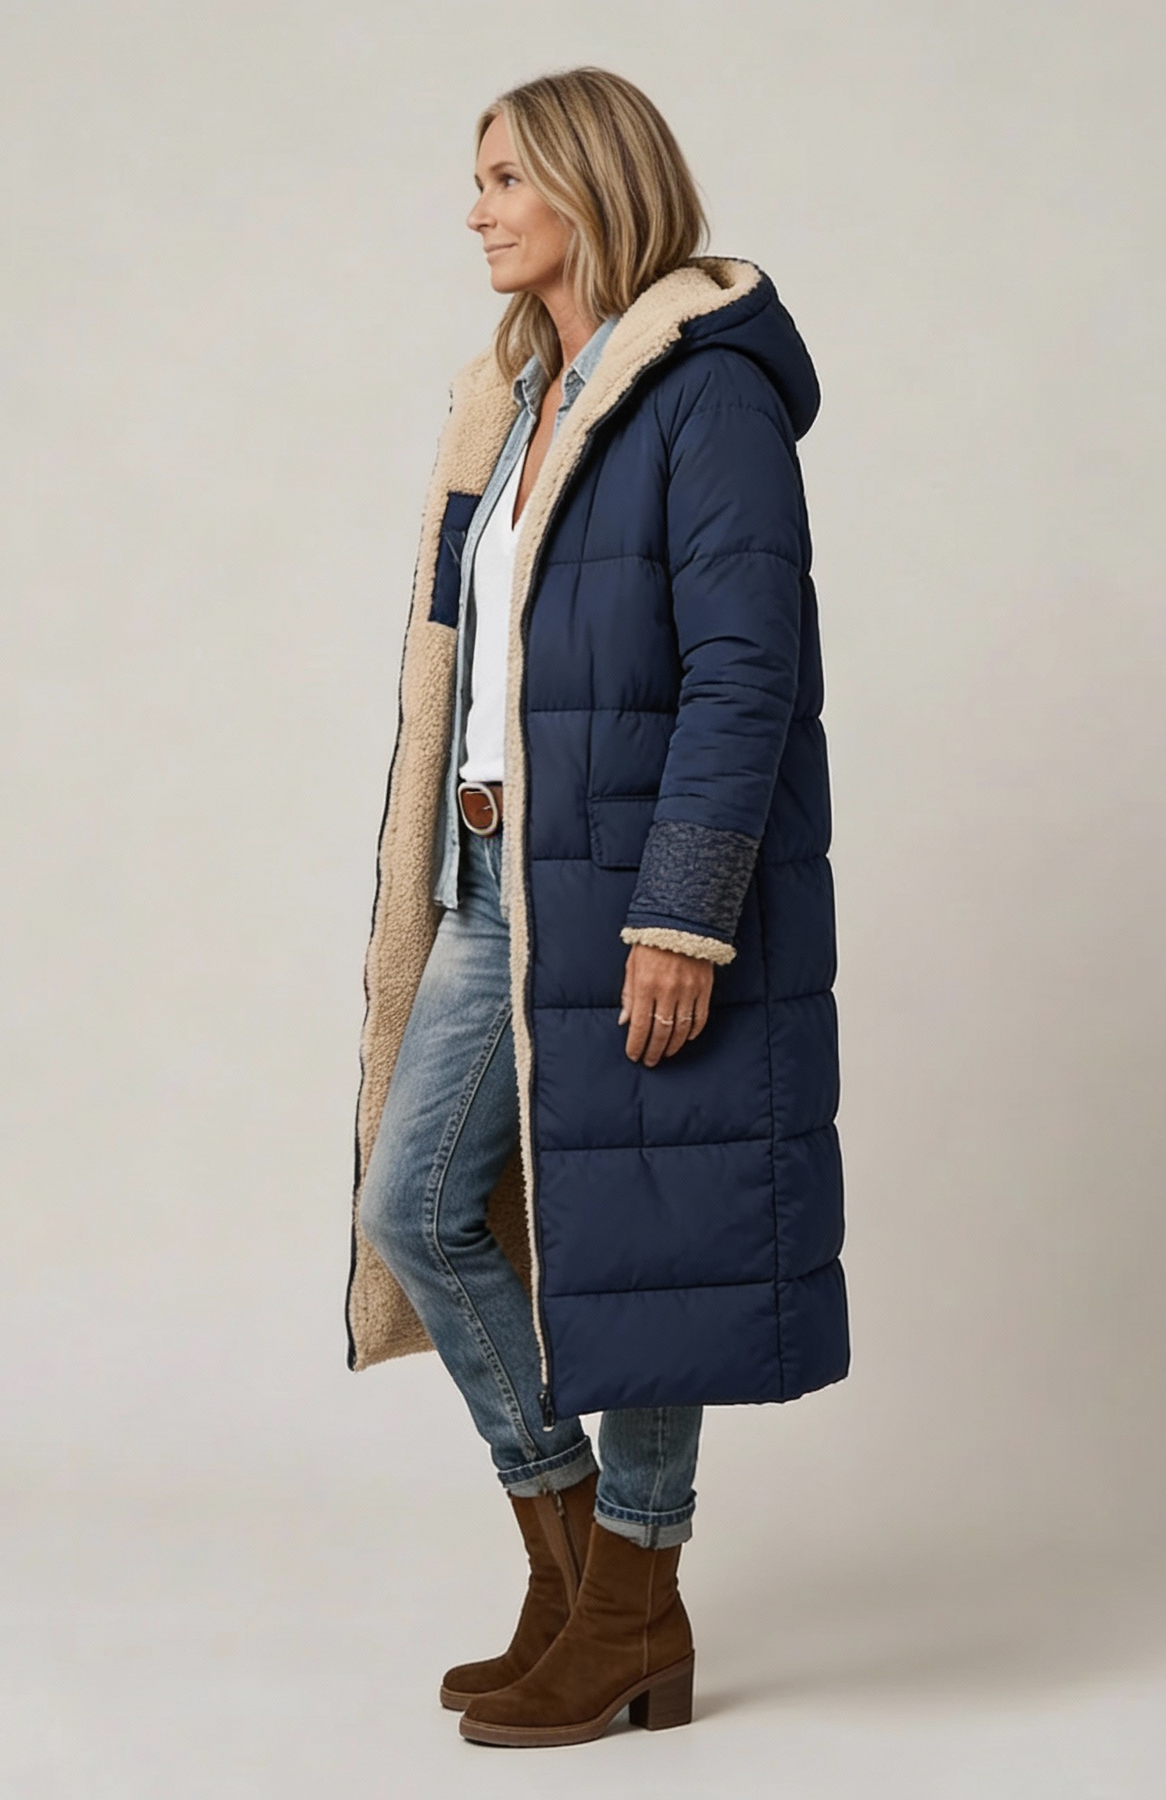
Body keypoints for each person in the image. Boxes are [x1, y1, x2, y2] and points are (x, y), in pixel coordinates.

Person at [345, 65, 848, 1749]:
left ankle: (631, 1597)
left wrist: (682, 912)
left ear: (588, 181)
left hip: (634, 890)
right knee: (419, 1204)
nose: (475, 209)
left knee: (638, 1236)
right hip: (498, 879)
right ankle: (579, 1578)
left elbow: (745, 670)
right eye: (476, 178)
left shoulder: (703, 396)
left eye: (504, 177)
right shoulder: (518, 400)